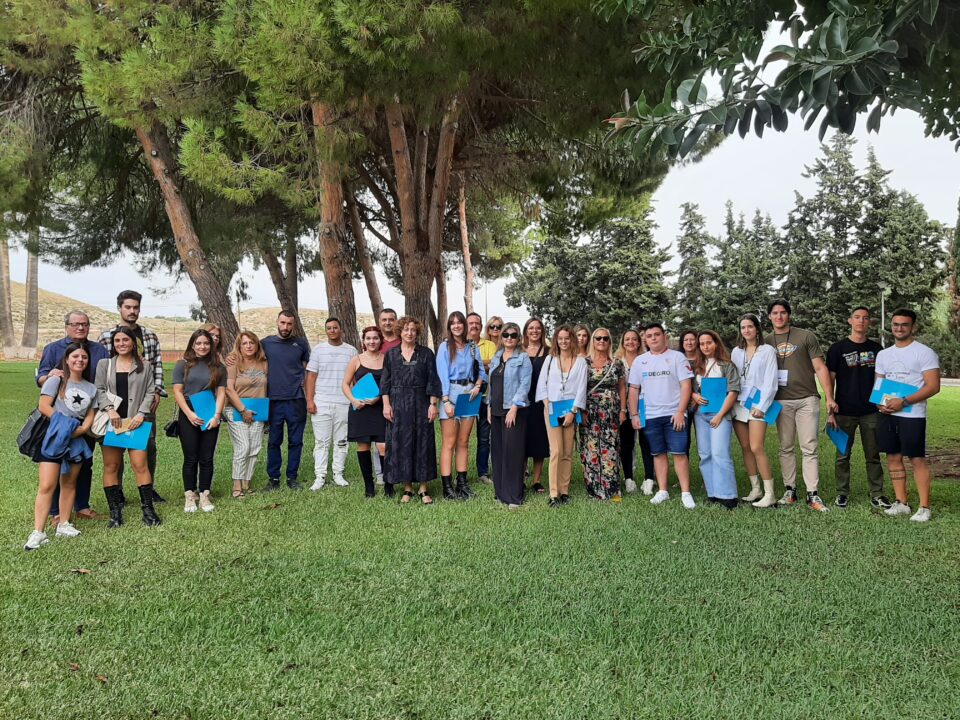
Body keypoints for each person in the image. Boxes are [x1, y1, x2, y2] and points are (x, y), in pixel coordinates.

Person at [765, 299, 838, 512]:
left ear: (789, 315)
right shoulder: (765, 341)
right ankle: (790, 490)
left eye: (783, 312)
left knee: (809, 446)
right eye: (775, 313)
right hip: (780, 401)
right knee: (785, 446)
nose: (779, 316)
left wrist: (829, 397)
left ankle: (812, 493)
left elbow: (820, 368)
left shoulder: (806, 336)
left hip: (807, 398)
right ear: (769, 316)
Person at [36, 310, 109, 522]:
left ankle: (82, 506)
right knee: (57, 463)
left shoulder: (99, 350)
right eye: (76, 324)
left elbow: (106, 377)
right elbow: (41, 377)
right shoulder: (53, 349)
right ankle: (55, 512)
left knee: (84, 461)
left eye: (84, 324)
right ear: (67, 326)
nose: (80, 327)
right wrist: (51, 377)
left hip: (87, 414)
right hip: (58, 418)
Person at [24, 343, 96, 550]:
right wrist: (64, 426)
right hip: (54, 437)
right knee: (47, 485)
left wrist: (82, 429)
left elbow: (90, 413)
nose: (79, 360)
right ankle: (38, 532)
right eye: (75, 356)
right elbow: (44, 406)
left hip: (76, 439)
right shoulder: (56, 380)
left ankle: (64, 524)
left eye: (84, 357)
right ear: (66, 359)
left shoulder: (91, 388)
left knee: (69, 483)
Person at [98, 290, 166, 503]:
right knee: (115, 449)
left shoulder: (149, 336)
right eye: (128, 307)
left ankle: (148, 489)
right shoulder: (107, 336)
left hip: (142, 400)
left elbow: (156, 364)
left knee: (148, 446)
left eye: (136, 307)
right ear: (120, 308)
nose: (132, 311)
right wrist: (108, 407)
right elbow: (103, 370)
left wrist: (157, 391)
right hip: (116, 403)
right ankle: (116, 492)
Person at [875, 308, 941, 522]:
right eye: (896, 324)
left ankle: (924, 508)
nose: (899, 328)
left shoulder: (924, 353)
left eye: (904, 324)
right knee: (893, 457)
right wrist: (880, 403)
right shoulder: (884, 354)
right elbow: (879, 383)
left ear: (913, 327)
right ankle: (901, 503)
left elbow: (933, 386)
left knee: (917, 459)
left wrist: (903, 402)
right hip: (888, 415)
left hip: (912, 415)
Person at [826, 307, 890, 509]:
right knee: (842, 456)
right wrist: (830, 410)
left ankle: (877, 494)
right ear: (850, 321)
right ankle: (842, 494)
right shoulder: (837, 349)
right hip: (843, 411)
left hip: (871, 412)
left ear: (869, 322)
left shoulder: (877, 349)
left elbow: (882, 380)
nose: (861, 321)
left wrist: (882, 403)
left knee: (873, 455)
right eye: (857, 317)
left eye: (865, 318)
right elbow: (829, 381)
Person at [95, 326, 161, 527]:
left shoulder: (144, 365)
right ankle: (115, 513)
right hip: (113, 423)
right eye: (117, 340)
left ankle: (148, 511)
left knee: (140, 465)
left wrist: (141, 414)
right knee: (111, 466)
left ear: (133, 342)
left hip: (135, 423)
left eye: (125, 340)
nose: (121, 344)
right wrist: (109, 409)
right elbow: (99, 389)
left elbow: (150, 392)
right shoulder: (105, 364)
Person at [628, 323, 696, 509]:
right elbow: (633, 389)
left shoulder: (677, 357)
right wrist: (634, 414)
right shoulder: (640, 361)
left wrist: (680, 411)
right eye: (649, 336)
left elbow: (686, 386)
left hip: (674, 414)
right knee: (658, 453)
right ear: (645, 340)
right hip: (650, 415)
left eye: (657, 334)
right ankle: (663, 491)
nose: (653, 338)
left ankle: (686, 493)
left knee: (679, 453)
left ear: (664, 336)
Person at [381, 316, 441, 504]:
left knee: (423, 443)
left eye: (413, 330)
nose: (409, 333)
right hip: (398, 405)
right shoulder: (391, 354)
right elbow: (385, 382)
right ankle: (407, 487)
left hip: (422, 403)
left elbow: (433, 380)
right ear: (400, 331)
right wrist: (386, 405)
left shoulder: (426, 353)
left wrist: (433, 404)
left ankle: (423, 488)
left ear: (417, 332)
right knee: (402, 444)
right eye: (406, 329)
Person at [173, 329, 227, 513]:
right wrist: (189, 414)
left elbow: (221, 392)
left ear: (211, 345)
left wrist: (217, 416)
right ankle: (190, 495)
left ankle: (204, 493)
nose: (202, 347)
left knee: (207, 457)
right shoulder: (182, 365)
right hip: (188, 413)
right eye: (199, 343)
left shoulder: (219, 367)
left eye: (206, 343)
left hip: (210, 412)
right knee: (190, 457)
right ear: (192, 345)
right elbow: (178, 391)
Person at [535, 325, 588, 508]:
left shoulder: (581, 362)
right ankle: (553, 494)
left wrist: (573, 412)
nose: (564, 341)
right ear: (556, 340)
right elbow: (542, 384)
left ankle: (564, 491)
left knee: (567, 452)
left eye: (567, 338)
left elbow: (582, 388)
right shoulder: (550, 359)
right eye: (560, 338)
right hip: (551, 408)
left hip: (571, 411)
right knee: (556, 451)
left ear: (572, 339)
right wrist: (547, 404)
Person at [730, 314, 780, 508]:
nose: (747, 330)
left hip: (758, 405)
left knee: (756, 447)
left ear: (757, 329)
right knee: (745, 447)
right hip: (739, 403)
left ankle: (770, 494)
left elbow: (771, 381)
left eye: (750, 326)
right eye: (743, 327)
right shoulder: (736, 351)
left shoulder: (767, 351)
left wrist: (762, 406)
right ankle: (755, 489)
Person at [437, 311, 486, 500]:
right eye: (453, 323)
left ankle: (462, 484)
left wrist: (478, 385)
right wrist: (445, 401)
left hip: (469, 395)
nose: (456, 326)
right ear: (449, 327)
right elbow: (441, 375)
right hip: (451, 394)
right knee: (449, 442)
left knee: (464, 441)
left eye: (459, 322)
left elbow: (481, 371)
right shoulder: (444, 347)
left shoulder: (472, 347)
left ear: (464, 325)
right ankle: (447, 487)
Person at [260, 311, 311, 491]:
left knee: (295, 441)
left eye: (289, 324)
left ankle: (292, 477)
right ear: (277, 322)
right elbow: (247, 356)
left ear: (293, 325)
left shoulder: (301, 344)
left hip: (296, 399)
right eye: (283, 323)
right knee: (274, 441)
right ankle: (273, 478)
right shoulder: (265, 343)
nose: (286, 327)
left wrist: (305, 386)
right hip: (273, 400)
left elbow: (307, 369)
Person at [690, 330, 741, 508]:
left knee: (720, 453)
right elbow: (690, 388)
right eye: (702, 344)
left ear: (716, 343)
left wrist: (720, 415)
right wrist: (694, 395)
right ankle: (712, 493)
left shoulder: (727, 365)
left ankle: (728, 495)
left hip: (720, 414)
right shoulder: (697, 366)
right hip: (700, 415)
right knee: (705, 454)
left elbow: (733, 391)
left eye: (709, 342)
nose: (705, 346)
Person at [306, 318, 358, 489]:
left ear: (341, 329)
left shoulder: (351, 351)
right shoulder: (318, 350)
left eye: (335, 327)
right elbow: (311, 377)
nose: (332, 330)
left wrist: (356, 400)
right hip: (322, 402)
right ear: (326, 331)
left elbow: (355, 378)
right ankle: (320, 476)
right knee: (321, 442)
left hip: (343, 403)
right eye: (329, 328)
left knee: (341, 441)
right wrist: (310, 400)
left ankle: (338, 474)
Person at [487, 322, 532, 507]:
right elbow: (491, 384)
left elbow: (525, 385)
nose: (509, 338)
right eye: (506, 335)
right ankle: (500, 493)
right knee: (498, 452)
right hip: (496, 410)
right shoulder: (497, 357)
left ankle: (514, 496)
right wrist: (489, 407)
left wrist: (514, 407)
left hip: (513, 411)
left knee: (512, 452)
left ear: (518, 338)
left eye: (513, 335)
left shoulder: (523, 358)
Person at [342, 326, 390, 498]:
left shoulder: (387, 359)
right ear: (363, 341)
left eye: (375, 338)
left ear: (380, 340)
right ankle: (369, 486)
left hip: (380, 408)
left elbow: (390, 384)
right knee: (363, 446)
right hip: (360, 409)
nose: (372, 341)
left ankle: (388, 485)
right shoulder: (356, 360)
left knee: (383, 446)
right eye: (368, 338)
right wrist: (354, 401)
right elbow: (345, 384)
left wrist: (379, 398)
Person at [580, 327, 627, 501]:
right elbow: (578, 388)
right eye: (598, 338)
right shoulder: (583, 363)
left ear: (609, 341)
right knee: (591, 447)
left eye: (605, 338)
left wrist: (623, 410)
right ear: (593, 341)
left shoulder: (617, 363)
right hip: (589, 411)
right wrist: (582, 410)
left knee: (610, 447)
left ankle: (611, 488)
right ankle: (594, 488)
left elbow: (622, 388)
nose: (601, 341)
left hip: (611, 411)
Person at [224, 331, 268, 498]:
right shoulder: (233, 362)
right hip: (237, 410)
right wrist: (243, 410)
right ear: (239, 346)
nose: (249, 346)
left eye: (252, 342)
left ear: (257, 345)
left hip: (258, 410)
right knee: (243, 446)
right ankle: (236, 485)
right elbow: (229, 389)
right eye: (245, 343)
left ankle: (246, 483)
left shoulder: (263, 362)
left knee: (255, 447)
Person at [615, 329, 656, 495]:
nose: (630, 342)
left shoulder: (647, 360)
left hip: (645, 406)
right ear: (622, 342)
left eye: (634, 339)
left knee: (646, 442)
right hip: (624, 407)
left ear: (639, 342)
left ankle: (649, 478)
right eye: (627, 339)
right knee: (626, 443)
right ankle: (629, 479)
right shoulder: (617, 361)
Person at [468, 312, 498, 484]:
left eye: (477, 323)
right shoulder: (461, 344)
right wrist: (482, 364)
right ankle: (461, 472)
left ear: (481, 326)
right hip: (465, 394)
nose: (474, 325)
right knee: (462, 436)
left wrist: (476, 362)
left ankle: (483, 472)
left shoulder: (490, 344)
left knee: (484, 436)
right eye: (471, 323)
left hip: (485, 393)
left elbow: (493, 364)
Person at [521, 318, 550, 493]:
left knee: (540, 440)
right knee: (523, 439)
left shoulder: (549, 352)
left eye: (538, 328)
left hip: (541, 401)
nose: (534, 331)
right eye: (531, 328)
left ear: (542, 331)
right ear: (526, 331)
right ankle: (522, 478)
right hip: (522, 401)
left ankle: (537, 480)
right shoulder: (519, 350)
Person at [374, 308, 401, 484]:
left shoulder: (402, 342)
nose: (388, 322)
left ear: (396, 321)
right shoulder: (375, 341)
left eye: (391, 319)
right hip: (377, 396)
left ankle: (397, 471)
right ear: (379, 321)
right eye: (384, 319)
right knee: (379, 436)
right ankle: (380, 474)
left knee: (398, 435)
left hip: (398, 395)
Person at [678, 329, 701, 456]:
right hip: (683, 405)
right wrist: (692, 394)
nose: (689, 342)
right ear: (682, 343)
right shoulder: (677, 359)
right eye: (686, 340)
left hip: (701, 404)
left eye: (692, 339)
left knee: (703, 440)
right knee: (684, 440)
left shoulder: (703, 358)